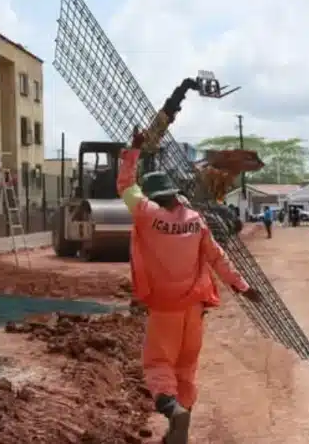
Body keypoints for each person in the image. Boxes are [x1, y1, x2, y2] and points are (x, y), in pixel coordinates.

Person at [117, 129, 260, 444]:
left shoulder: (145, 213)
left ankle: (173, 412)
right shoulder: (196, 220)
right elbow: (217, 258)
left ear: (153, 195)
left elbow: (125, 185)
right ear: (174, 192)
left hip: (164, 307)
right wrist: (243, 286)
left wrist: (134, 150)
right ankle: (178, 432)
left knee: (158, 364)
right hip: (194, 310)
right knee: (186, 369)